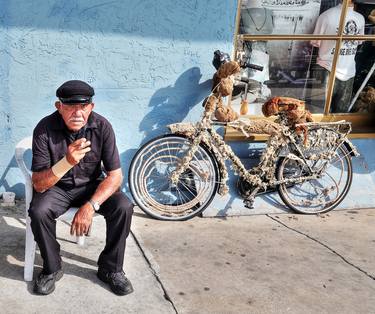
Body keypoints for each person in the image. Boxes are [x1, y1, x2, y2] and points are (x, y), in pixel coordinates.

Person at [29, 80, 134, 296]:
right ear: (59, 106)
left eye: (83, 107)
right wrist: (66, 161)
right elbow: (39, 184)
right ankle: (52, 268)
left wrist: (90, 206)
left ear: (91, 107)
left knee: (123, 206)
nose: (77, 113)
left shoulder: (102, 127)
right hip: (58, 188)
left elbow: (115, 176)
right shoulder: (44, 129)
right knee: (38, 211)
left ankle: (110, 269)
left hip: (91, 186)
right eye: (70, 107)